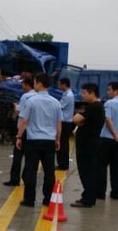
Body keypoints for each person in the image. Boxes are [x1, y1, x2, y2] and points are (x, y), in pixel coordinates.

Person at [15, 72, 62, 208]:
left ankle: (29, 200)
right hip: (49, 141)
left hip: (33, 141)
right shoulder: (56, 103)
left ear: (39, 83)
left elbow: (24, 121)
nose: (33, 85)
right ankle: (48, 199)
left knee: (31, 171)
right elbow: (58, 124)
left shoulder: (31, 101)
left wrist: (19, 137)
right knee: (49, 172)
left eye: (35, 82)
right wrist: (57, 139)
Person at [71, 83, 105, 208]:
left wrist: (80, 118)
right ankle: (89, 195)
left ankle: (88, 199)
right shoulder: (98, 106)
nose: (82, 95)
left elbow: (75, 119)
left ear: (92, 92)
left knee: (86, 171)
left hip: (87, 145)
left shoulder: (93, 107)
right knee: (89, 171)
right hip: (91, 143)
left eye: (84, 93)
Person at [4, 75, 35, 186]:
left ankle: (14, 179)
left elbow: (20, 114)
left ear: (27, 85)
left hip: (23, 130)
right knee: (30, 157)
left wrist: (15, 106)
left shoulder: (25, 97)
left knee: (18, 156)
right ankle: (26, 177)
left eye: (23, 84)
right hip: (33, 132)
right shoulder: (37, 96)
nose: (22, 86)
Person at [56, 77, 75, 170]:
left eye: (60, 84)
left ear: (64, 84)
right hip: (66, 122)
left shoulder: (68, 95)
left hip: (65, 123)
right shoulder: (67, 94)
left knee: (62, 144)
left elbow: (60, 106)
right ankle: (63, 164)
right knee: (64, 144)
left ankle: (62, 165)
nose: (59, 86)